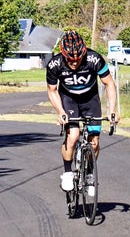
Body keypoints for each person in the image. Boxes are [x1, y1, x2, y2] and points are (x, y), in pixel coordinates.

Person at [47, 30, 119, 192]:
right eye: (70, 60)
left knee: (94, 143)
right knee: (73, 136)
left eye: (78, 59)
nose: (74, 63)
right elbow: (52, 90)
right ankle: (67, 172)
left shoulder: (94, 59)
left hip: (90, 99)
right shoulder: (54, 64)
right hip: (68, 99)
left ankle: (89, 173)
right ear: (63, 55)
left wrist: (112, 110)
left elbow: (109, 84)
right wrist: (60, 111)